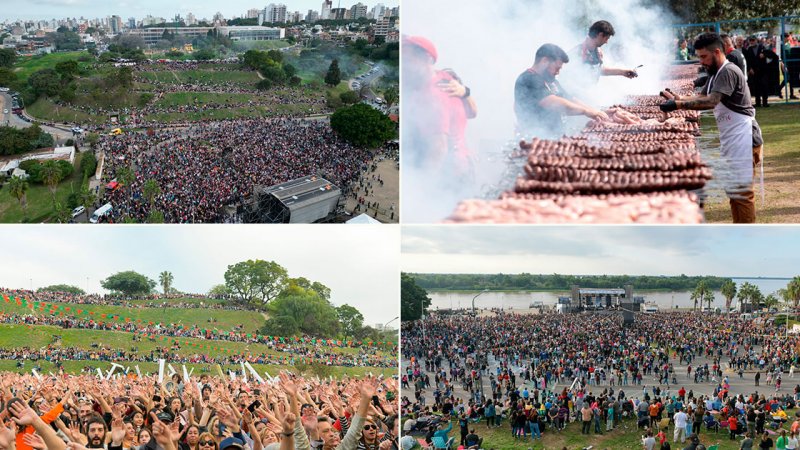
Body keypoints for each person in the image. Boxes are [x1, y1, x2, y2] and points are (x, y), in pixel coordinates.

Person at [660, 32, 763, 224]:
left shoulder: (728, 71)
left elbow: (712, 101)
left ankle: (747, 236)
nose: (701, 62)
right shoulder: (716, 74)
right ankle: (740, 231)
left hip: (745, 138)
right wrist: (678, 99)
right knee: (735, 190)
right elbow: (701, 97)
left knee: (742, 193)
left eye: (703, 57)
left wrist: (678, 106)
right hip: (733, 138)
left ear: (717, 52)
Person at [401, 35, 475, 176]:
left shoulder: (433, 95)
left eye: (408, 62)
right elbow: (472, 113)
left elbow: (438, 149)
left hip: (448, 175)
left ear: (427, 59)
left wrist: (423, 190)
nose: (404, 69)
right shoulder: (445, 78)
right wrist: (466, 92)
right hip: (462, 166)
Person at [514, 43, 609, 138]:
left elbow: (569, 99)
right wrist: (586, 112)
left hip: (554, 137)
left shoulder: (551, 80)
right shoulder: (529, 79)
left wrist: (594, 111)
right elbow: (554, 103)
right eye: (557, 68)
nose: (558, 72)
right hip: (535, 139)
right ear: (544, 61)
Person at [572, 20, 640, 81]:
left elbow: (599, 70)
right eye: (606, 38)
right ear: (600, 35)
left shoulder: (598, 52)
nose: (606, 42)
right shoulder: (577, 53)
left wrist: (623, 72)